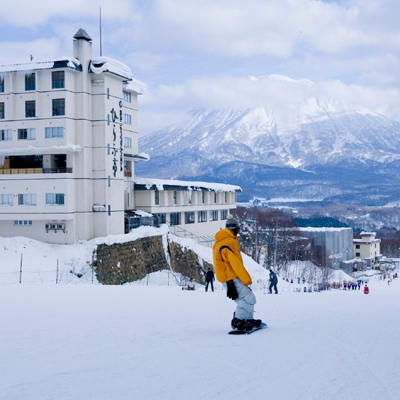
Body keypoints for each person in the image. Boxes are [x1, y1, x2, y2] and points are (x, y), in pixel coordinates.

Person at [213, 214, 261, 331]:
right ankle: (238, 321)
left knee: (244, 298)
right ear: (233, 229)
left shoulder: (219, 242)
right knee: (248, 297)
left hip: (228, 277)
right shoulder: (230, 242)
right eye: (238, 229)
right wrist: (246, 280)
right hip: (231, 277)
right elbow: (235, 263)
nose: (238, 232)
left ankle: (248, 319)